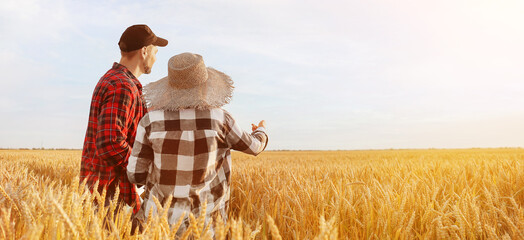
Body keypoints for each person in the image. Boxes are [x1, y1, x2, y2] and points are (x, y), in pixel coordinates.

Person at [127, 52, 268, 234]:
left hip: (159, 227)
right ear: (204, 88)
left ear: (169, 89)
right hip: (206, 228)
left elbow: (134, 174)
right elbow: (254, 147)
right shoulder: (220, 119)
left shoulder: (150, 121)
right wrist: (261, 130)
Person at [79, 24, 168, 215]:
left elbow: (122, 126)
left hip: (103, 191)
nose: (155, 58)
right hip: (110, 195)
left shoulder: (115, 80)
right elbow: (110, 142)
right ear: (144, 51)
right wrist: (143, 167)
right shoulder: (123, 86)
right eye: (155, 52)